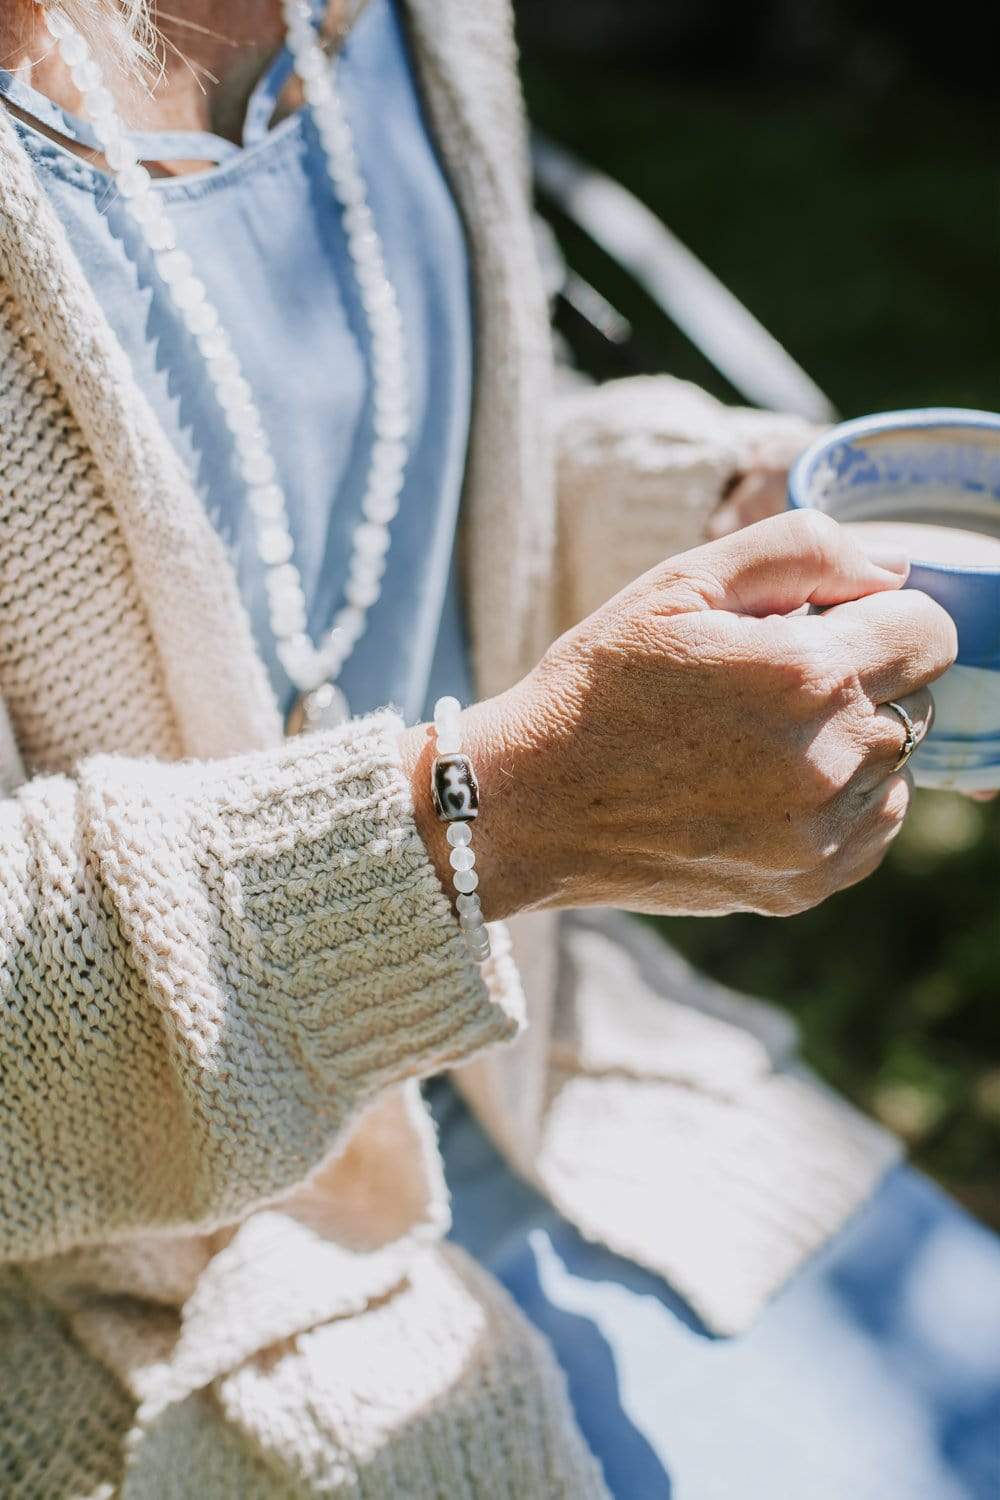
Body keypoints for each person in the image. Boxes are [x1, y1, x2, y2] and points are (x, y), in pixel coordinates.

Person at [0, 1, 996, 1495]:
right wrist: (494, 820)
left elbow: (413, 464)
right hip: (142, 1281)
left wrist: (721, 529)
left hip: (568, 1080)